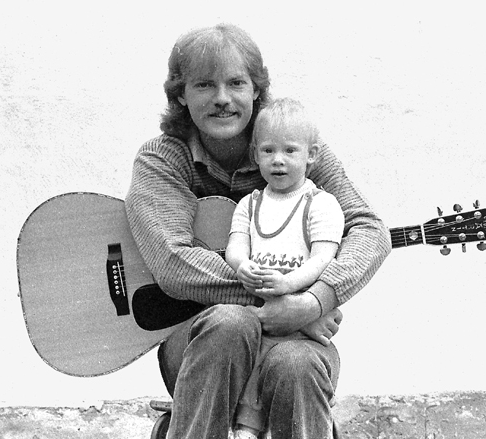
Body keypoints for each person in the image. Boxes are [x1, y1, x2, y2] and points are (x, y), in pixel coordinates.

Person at [125, 23, 391, 439]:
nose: (222, 99)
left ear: (256, 90)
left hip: (295, 339)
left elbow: (369, 229)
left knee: (296, 365)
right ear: (180, 94)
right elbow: (172, 260)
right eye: (203, 85)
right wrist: (282, 299)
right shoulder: (161, 160)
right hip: (202, 341)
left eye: (236, 83)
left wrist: (316, 301)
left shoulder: (292, 147)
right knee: (230, 324)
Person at [225, 97, 345, 439]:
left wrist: (288, 284)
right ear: (255, 155)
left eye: (290, 151)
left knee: (290, 365)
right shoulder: (250, 203)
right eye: (267, 151)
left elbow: (324, 259)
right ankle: (245, 431)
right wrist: (242, 266)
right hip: (260, 322)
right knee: (254, 357)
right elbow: (236, 245)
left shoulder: (321, 205)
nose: (278, 160)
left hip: (301, 325)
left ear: (312, 155)